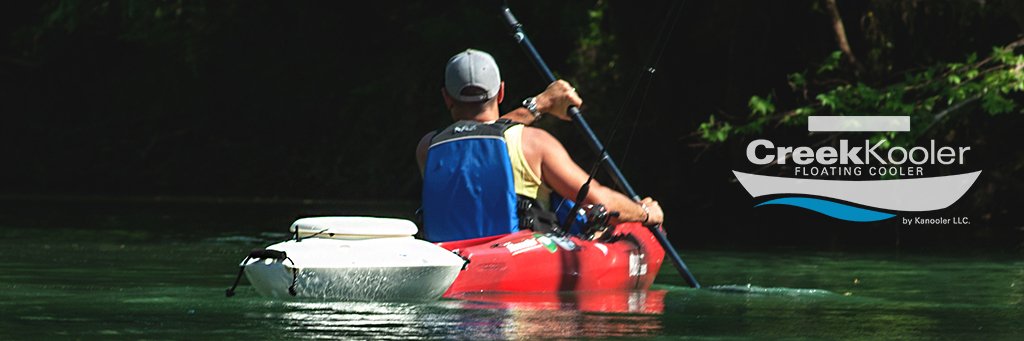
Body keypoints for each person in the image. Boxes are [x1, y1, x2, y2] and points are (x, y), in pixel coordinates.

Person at [417, 49, 664, 242]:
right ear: (501, 92)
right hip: (518, 266)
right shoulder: (535, 143)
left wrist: (539, 105)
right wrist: (645, 213)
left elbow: (478, 135)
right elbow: (602, 204)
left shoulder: (429, 148)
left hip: (453, 259)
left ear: (446, 97)